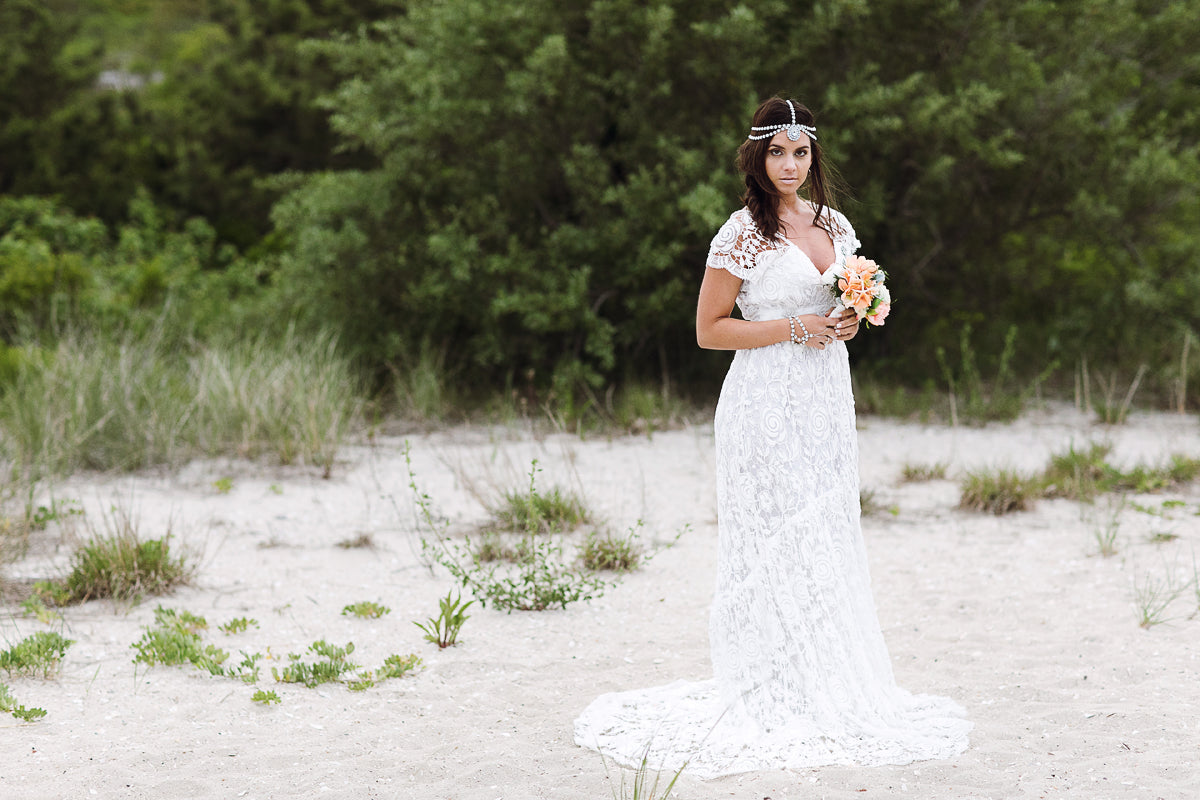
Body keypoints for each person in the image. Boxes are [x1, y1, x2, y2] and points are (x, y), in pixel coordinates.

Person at [573, 98, 971, 779]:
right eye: (778, 152)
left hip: (825, 401)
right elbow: (709, 329)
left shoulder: (835, 224)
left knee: (823, 530)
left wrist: (849, 318)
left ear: (814, 158)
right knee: (774, 536)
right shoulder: (742, 234)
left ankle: (823, 681)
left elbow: (839, 305)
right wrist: (793, 328)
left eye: (801, 152)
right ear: (757, 157)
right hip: (764, 399)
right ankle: (769, 688)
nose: (790, 164)